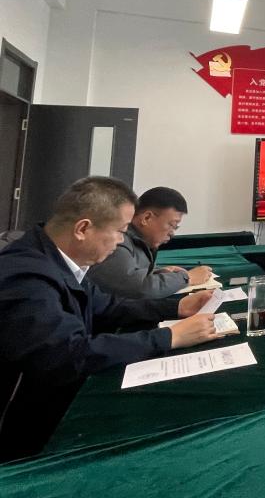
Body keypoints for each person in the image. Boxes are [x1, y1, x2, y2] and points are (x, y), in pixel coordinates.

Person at [0, 177, 221, 461]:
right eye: (119, 232)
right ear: (83, 229)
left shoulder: (57, 259)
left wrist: (176, 307)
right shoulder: (27, 278)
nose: (119, 242)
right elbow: (69, 354)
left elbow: (107, 305)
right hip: (21, 435)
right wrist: (170, 337)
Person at [88, 186, 210, 298]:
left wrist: (159, 272)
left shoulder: (138, 241)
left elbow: (127, 277)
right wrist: (187, 278)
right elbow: (138, 288)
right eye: (172, 225)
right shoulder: (118, 242)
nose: (172, 233)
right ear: (146, 218)